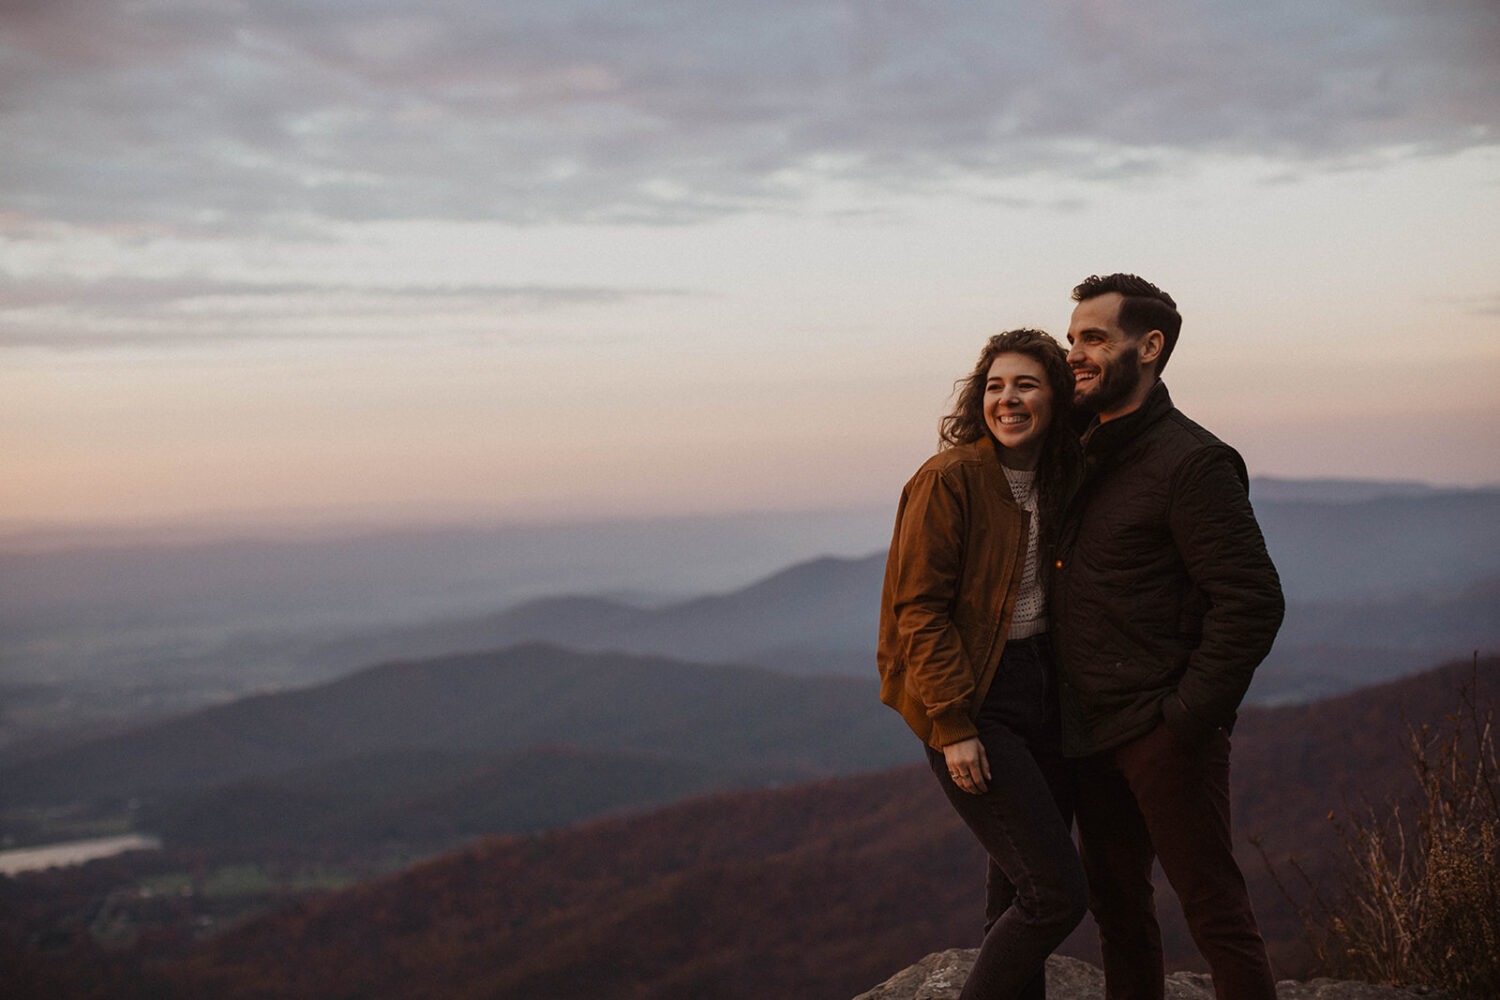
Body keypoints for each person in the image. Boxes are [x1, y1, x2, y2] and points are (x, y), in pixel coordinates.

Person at [1052, 273, 1285, 1000]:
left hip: (1161, 732)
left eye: (1094, 338)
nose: (1075, 355)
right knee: (1118, 911)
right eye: (1072, 340)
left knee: (1214, 910)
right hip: (1088, 728)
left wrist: (1184, 720)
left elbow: (1251, 601)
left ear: (1149, 347)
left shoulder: (1192, 462)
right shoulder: (1082, 447)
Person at [878, 328, 1088, 1000]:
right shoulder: (951, 479)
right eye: (995, 386)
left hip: (1044, 693)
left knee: (1018, 892)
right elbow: (919, 610)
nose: (1008, 399)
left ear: (1055, 395)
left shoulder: (1064, 477)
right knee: (1056, 895)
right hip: (973, 698)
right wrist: (953, 723)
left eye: (1026, 383)